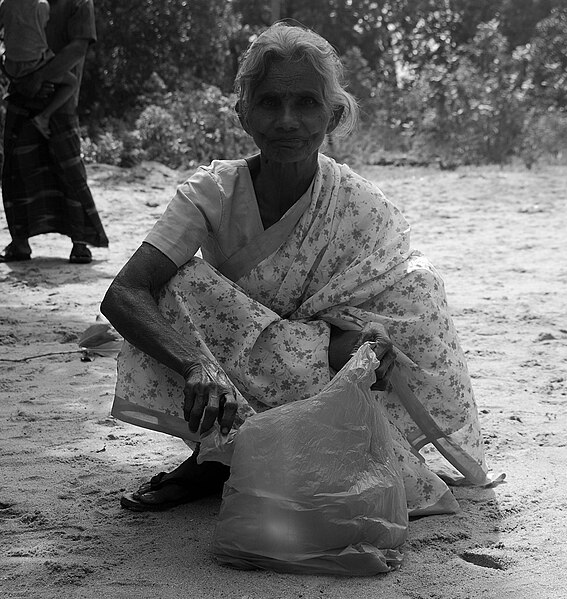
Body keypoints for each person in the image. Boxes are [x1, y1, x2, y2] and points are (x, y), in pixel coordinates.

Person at [101, 22, 491, 516]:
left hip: (321, 377)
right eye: (269, 102)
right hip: (230, 367)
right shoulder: (211, 193)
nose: (287, 120)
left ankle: (266, 457)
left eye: (306, 103)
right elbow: (125, 293)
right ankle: (214, 455)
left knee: (401, 308)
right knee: (176, 285)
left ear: (333, 114)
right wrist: (196, 365)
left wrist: (367, 343)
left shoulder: (361, 207)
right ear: (244, 113)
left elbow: (410, 302)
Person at [0, 0, 108, 264]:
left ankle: (79, 243)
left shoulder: (79, 3)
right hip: (22, 93)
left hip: (59, 102)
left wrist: (38, 77)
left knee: (69, 168)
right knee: (16, 169)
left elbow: (78, 48)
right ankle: (20, 242)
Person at [0, 0, 78, 139]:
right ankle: (44, 116)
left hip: (11, 66)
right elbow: (43, 27)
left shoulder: (6, 4)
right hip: (35, 64)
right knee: (72, 82)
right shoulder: (42, 5)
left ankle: (18, 87)